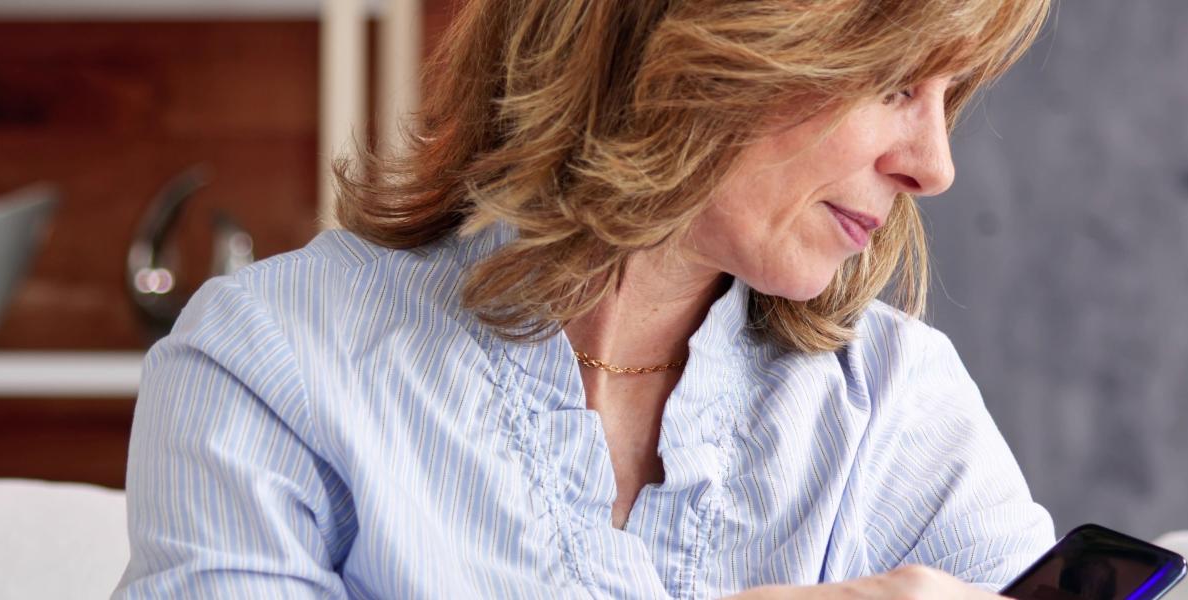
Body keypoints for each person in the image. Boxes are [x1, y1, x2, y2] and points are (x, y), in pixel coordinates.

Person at [113, 0, 1053, 598]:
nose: (935, 166)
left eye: (950, 94)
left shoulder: (892, 404)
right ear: (697, 39)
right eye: (895, 83)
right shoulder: (267, 364)